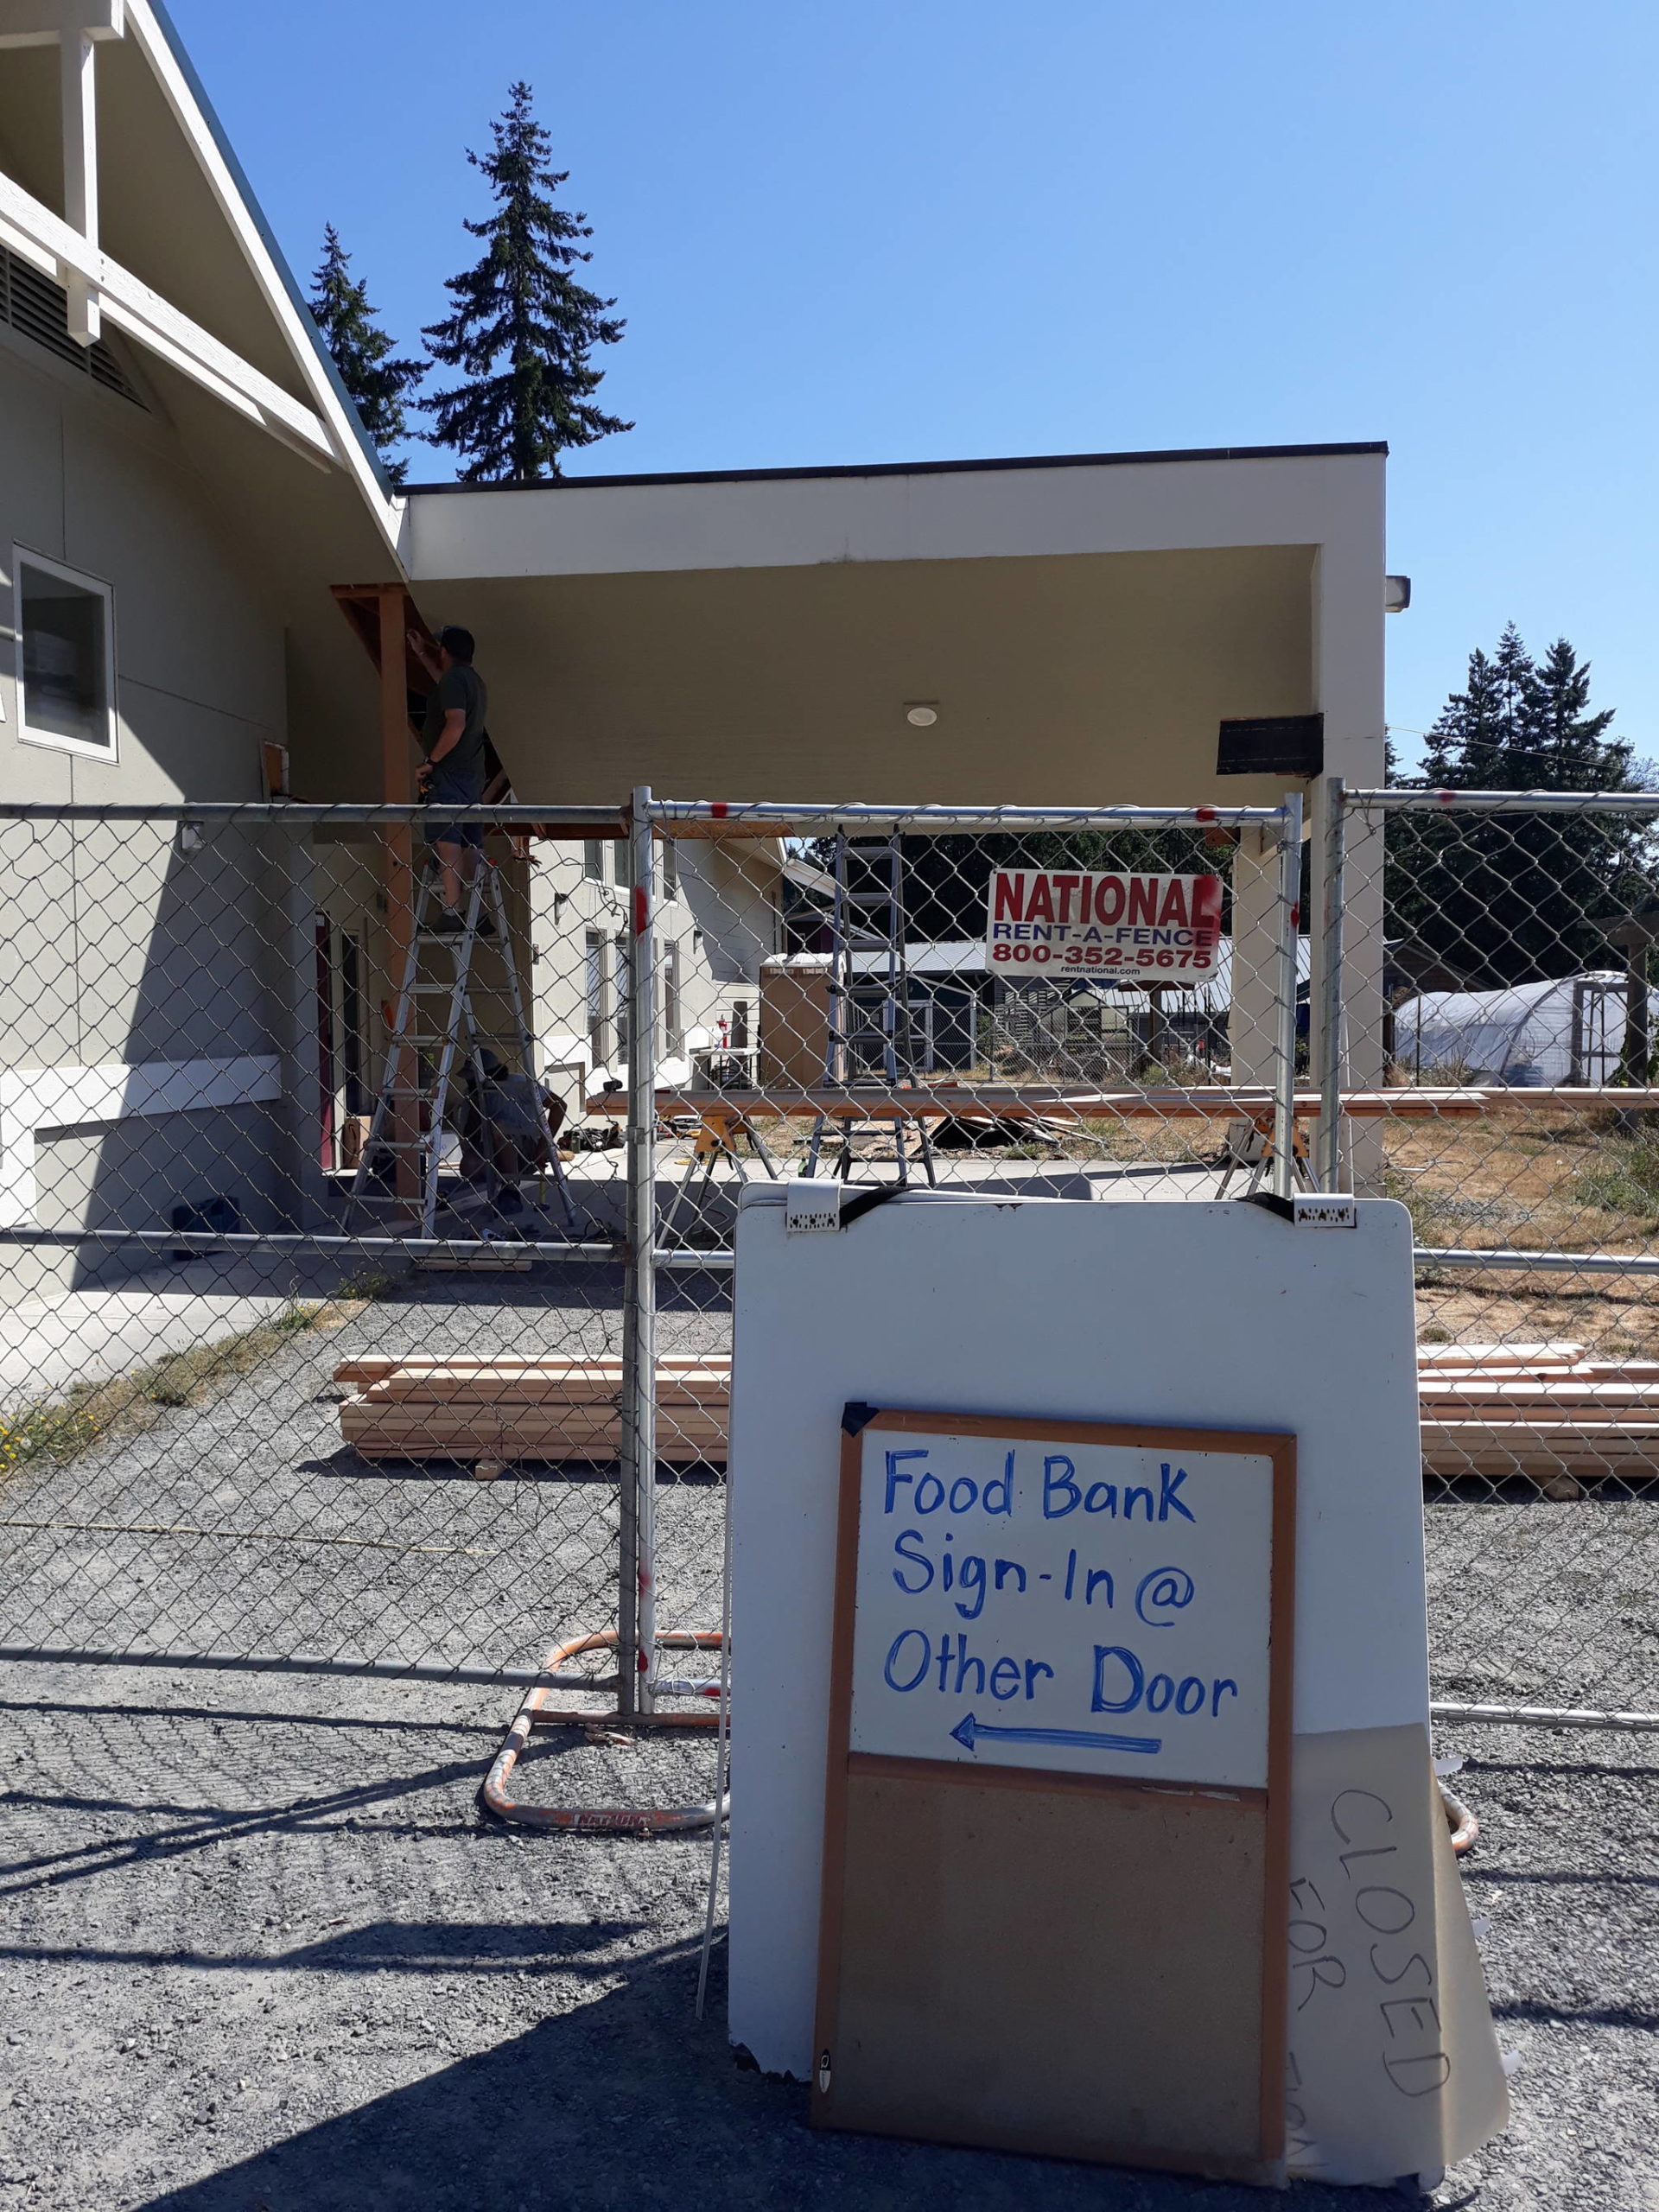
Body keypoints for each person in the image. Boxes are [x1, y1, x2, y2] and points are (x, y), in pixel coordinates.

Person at [408, 623, 489, 931]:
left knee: (447, 841)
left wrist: (431, 761)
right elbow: (446, 683)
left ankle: (452, 912)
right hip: (471, 773)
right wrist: (421, 654)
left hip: (450, 772)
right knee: (470, 842)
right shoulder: (472, 681)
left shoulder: (455, 680)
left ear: (445, 651)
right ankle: (477, 914)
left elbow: (455, 724)